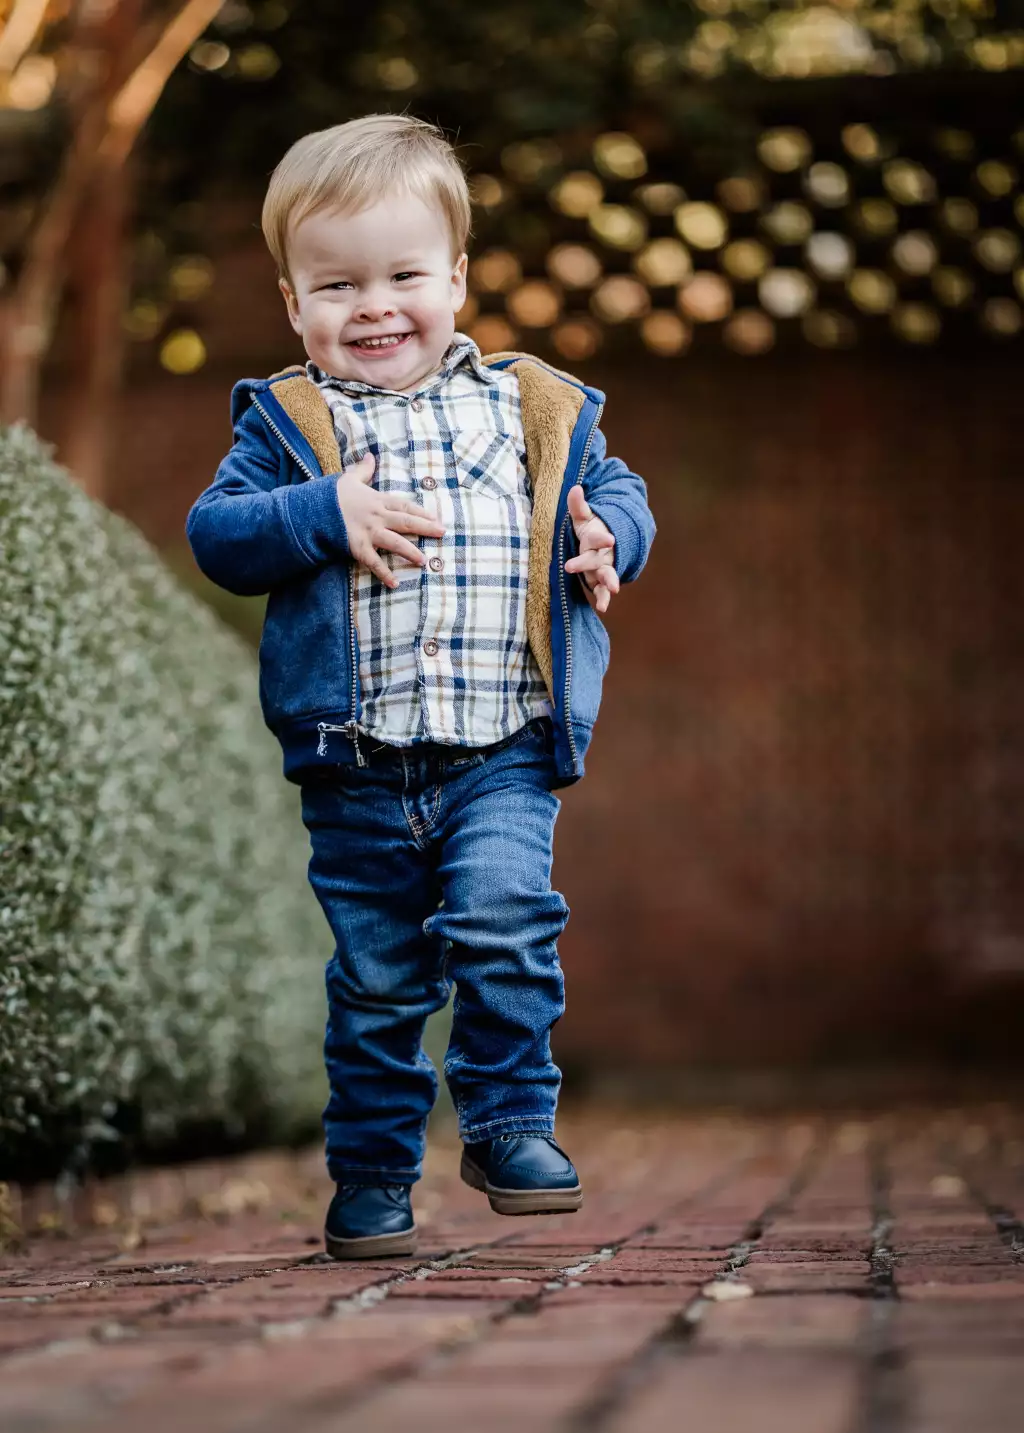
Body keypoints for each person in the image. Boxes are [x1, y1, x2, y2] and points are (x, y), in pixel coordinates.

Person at [186, 114, 655, 1259]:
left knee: (503, 920)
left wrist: (612, 543)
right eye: (337, 284)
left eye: (403, 274)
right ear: (295, 305)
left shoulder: (528, 403)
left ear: (454, 277)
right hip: (356, 759)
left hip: (500, 739)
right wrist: (321, 511)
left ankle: (505, 1121)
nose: (374, 305)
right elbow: (218, 534)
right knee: (382, 982)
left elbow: (616, 488)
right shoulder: (290, 427)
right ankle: (374, 1174)